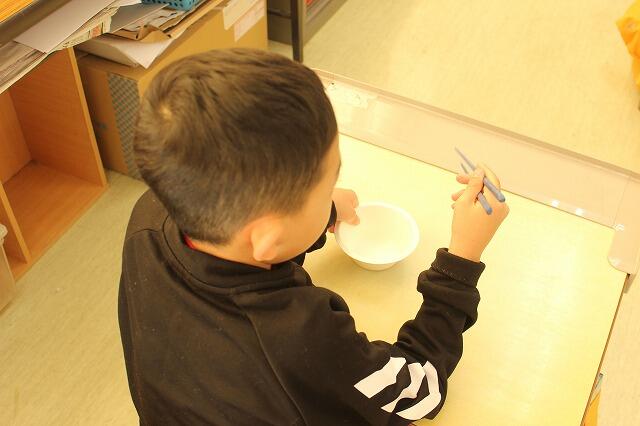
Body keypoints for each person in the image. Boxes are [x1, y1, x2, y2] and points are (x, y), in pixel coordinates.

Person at [118, 48, 509, 426]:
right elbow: (418, 392)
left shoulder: (151, 215)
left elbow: (251, 247)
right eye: (326, 189)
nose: (332, 194)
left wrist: (324, 212)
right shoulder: (301, 336)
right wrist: (461, 261)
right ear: (268, 238)